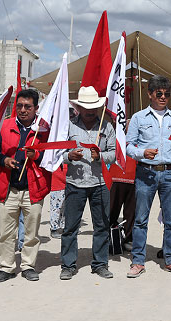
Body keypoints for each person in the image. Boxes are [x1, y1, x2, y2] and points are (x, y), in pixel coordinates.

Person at [125, 75, 171, 278]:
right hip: (146, 172)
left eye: (167, 94)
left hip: (170, 173)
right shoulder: (138, 118)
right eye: (159, 93)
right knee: (141, 220)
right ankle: (138, 261)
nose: (163, 97)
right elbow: (128, 145)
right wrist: (142, 153)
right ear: (150, 94)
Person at [0, 89, 50, 283]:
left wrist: (37, 156)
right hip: (9, 189)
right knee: (6, 233)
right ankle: (6, 267)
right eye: (19, 106)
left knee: (31, 233)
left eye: (27, 106)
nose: (23, 110)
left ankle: (28, 266)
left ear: (36, 108)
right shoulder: (4, 126)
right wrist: (4, 160)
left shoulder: (45, 130)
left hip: (33, 189)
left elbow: (52, 158)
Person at [59, 86, 116, 280]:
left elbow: (113, 154)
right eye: (86, 107)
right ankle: (68, 265)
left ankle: (100, 264)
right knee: (70, 227)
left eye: (94, 107)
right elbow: (57, 154)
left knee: (101, 225)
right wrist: (69, 156)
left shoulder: (107, 126)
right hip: (75, 183)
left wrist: (100, 156)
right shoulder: (69, 126)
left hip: (99, 183)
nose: (90, 111)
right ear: (79, 108)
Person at [109, 155, 137, 251]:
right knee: (111, 209)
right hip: (115, 173)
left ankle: (128, 238)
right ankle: (108, 237)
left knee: (131, 211)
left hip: (135, 174)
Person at [49, 165, 66, 239]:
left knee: (66, 209)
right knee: (56, 209)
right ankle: (54, 228)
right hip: (57, 186)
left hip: (67, 185)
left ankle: (64, 227)